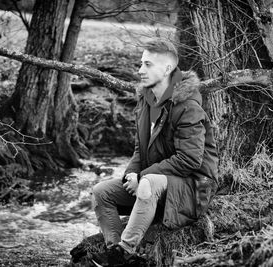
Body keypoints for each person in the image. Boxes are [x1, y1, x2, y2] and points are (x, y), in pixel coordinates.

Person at [90, 39, 218, 266]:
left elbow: (189, 160)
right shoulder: (146, 101)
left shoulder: (187, 106)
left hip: (193, 187)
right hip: (155, 180)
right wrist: (131, 173)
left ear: (167, 69)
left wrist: (142, 177)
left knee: (148, 182)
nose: (140, 70)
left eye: (148, 65)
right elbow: (141, 147)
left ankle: (125, 252)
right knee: (101, 192)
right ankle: (115, 250)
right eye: (141, 64)